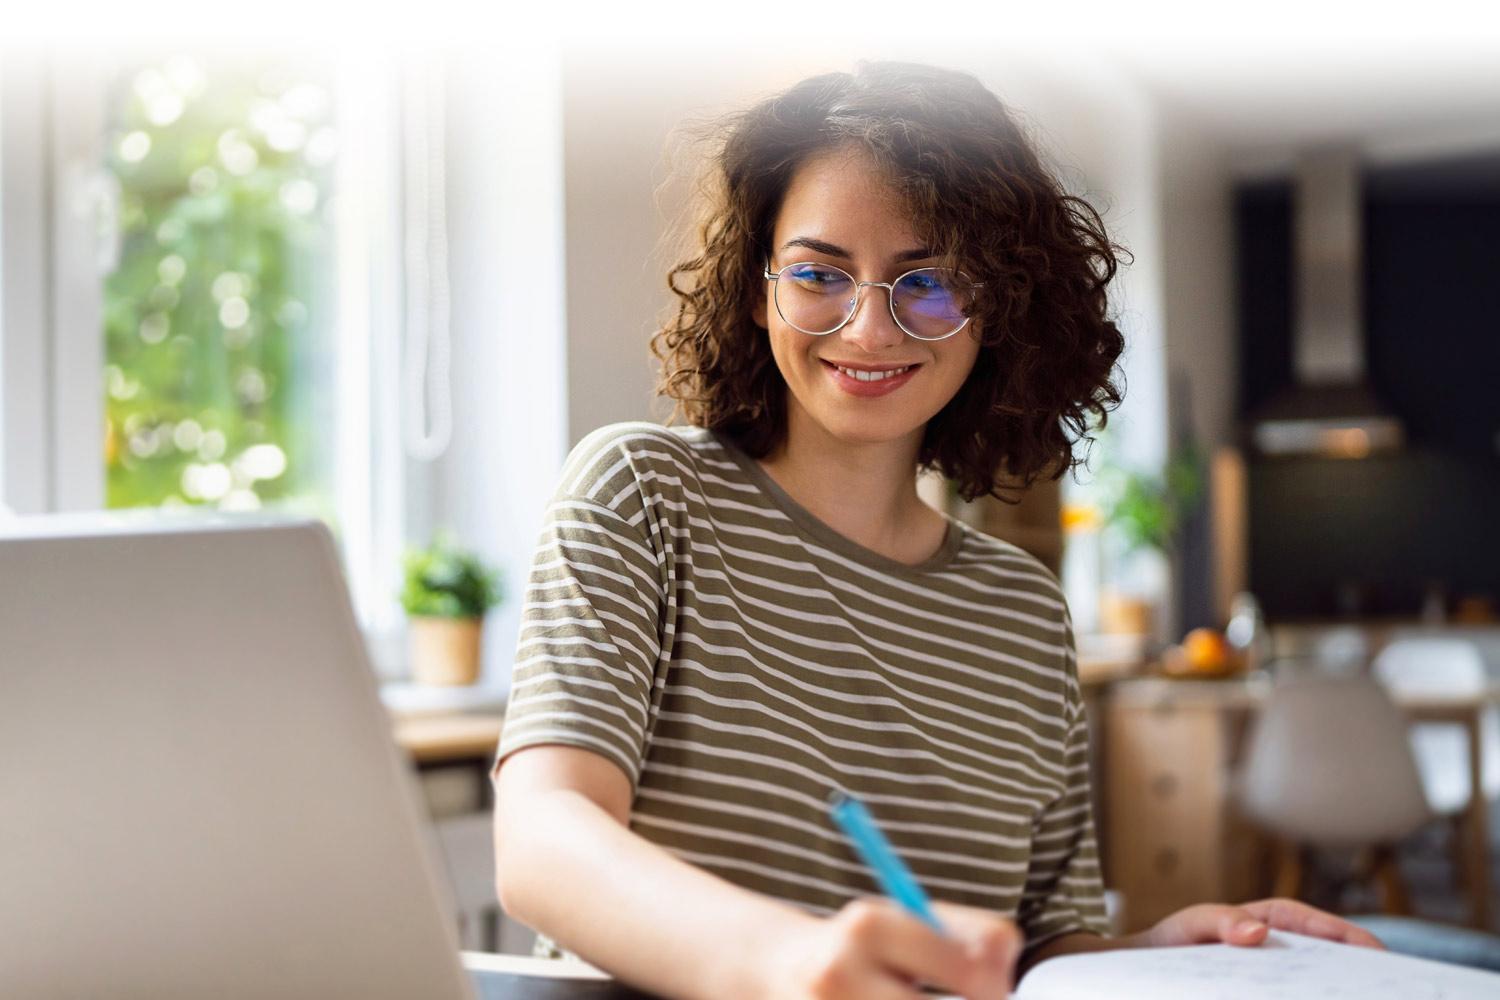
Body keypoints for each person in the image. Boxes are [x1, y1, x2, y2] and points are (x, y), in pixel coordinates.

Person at [490, 61, 1381, 1000]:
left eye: (928, 283)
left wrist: (1168, 950)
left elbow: (1037, 953)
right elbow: (545, 842)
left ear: (997, 308)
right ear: (760, 293)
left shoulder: (1025, 613)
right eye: (818, 273)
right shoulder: (644, 492)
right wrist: (784, 961)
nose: (869, 328)